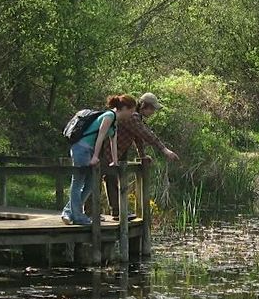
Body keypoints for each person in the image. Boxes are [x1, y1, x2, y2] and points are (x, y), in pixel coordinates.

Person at [102, 91, 180, 219]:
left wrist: (142, 156)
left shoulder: (136, 118)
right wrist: (165, 150)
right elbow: (146, 134)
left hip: (119, 151)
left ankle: (117, 211)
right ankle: (103, 211)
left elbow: (138, 138)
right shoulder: (133, 117)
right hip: (107, 151)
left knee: (113, 179)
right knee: (106, 179)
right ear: (143, 106)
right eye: (152, 109)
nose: (153, 112)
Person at [62, 94, 136, 225]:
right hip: (81, 148)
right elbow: (101, 137)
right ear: (124, 108)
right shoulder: (109, 116)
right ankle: (77, 216)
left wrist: (115, 161)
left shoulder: (115, 121)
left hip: (88, 151)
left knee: (91, 183)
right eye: (131, 111)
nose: (132, 114)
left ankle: (68, 211)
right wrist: (96, 157)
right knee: (78, 181)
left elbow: (113, 141)